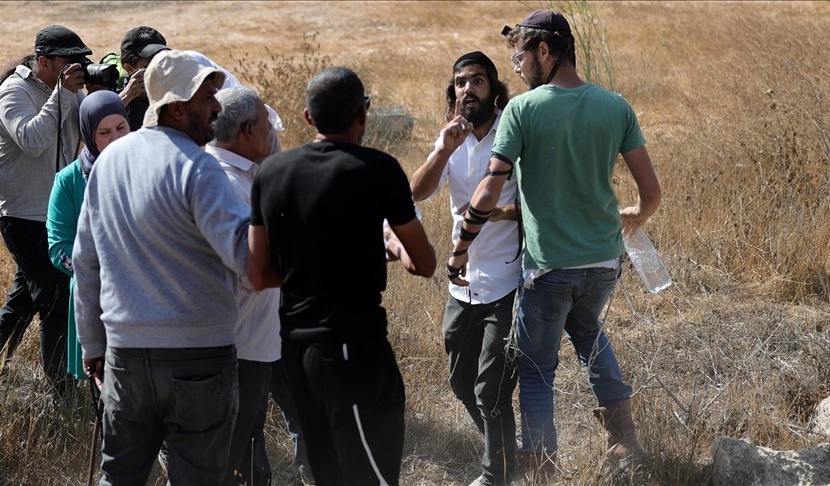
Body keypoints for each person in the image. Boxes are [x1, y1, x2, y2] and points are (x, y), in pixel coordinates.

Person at [446, 10, 661, 478]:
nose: (518, 68)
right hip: (604, 262)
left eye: (520, 57)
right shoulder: (615, 105)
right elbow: (651, 194)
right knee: (589, 333)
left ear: (544, 51)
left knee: (538, 370)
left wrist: (461, 247)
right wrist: (635, 216)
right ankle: (624, 442)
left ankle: (542, 467)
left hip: (548, 268)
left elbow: (488, 189)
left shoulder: (523, 110)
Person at [247, 66, 437, 485]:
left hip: (295, 352)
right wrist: (389, 244)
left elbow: (258, 275)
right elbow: (424, 263)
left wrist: (309, 267)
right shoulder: (379, 169)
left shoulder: (271, 173)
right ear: (363, 114)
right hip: (352, 348)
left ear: (307, 117)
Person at [73, 49, 249, 485]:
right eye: (207, 97)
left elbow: (85, 262)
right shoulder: (200, 167)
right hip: (198, 359)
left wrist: (93, 345)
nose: (217, 106)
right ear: (176, 108)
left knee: (119, 477)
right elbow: (246, 260)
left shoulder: (109, 162)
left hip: (125, 356)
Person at [410, 52, 519, 486]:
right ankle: (507, 453)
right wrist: (443, 149)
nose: (467, 89)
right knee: (461, 382)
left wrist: (497, 212)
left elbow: (540, 204)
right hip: (463, 284)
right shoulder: (451, 139)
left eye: (477, 80)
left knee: (491, 389)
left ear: (494, 89)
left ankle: (497, 474)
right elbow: (417, 192)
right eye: (460, 82)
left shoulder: (513, 133)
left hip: (508, 279)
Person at [0, 25, 91, 394]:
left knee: (26, 297)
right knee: (55, 298)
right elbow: (31, 140)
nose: (75, 68)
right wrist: (63, 95)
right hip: (22, 214)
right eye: (68, 61)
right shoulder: (13, 92)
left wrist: (108, 95)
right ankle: (63, 391)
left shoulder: (69, 91)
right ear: (44, 62)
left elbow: (90, 133)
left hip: (55, 213)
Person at [205, 85, 281, 486]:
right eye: (268, 124)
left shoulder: (245, 175)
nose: (273, 131)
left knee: (247, 455)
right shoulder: (224, 183)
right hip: (236, 348)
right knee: (223, 460)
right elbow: (251, 271)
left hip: (253, 342)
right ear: (249, 131)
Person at [46, 90, 130, 382]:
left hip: (144, 295)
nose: (115, 138)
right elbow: (59, 248)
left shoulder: (146, 168)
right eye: (104, 133)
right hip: (95, 297)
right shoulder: (69, 180)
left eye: (121, 128)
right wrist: (100, 272)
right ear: (88, 135)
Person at [117, 26, 170, 130]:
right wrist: (126, 97)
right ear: (129, 69)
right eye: (151, 66)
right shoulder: (116, 99)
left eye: (162, 62)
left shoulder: (171, 94)